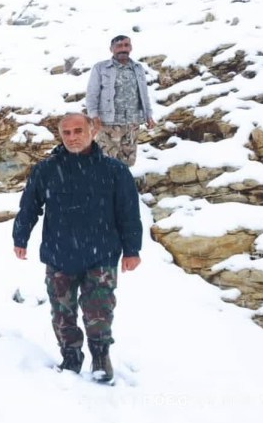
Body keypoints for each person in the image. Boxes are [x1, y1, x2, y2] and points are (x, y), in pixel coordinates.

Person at [12, 112, 143, 383]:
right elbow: (29, 206)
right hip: (59, 253)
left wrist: (132, 250)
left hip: (101, 254)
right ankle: (70, 355)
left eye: (78, 131)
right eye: (67, 133)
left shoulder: (115, 170)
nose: (72, 137)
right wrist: (20, 237)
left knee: (99, 311)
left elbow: (128, 212)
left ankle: (100, 356)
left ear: (92, 131)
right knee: (62, 312)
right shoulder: (47, 169)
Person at [85, 34, 156, 166]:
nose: (123, 49)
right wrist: (93, 116)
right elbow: (92, 94)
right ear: (111, 49)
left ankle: (123, 180)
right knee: (105, 162)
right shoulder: (101, 68)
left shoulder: (138, 68)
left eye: (126, 45)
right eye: (119, 46)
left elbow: (143, 94)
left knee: (127, 163)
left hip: (132, 123)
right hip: (109, 124)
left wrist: (148, 115)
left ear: (131, 48)